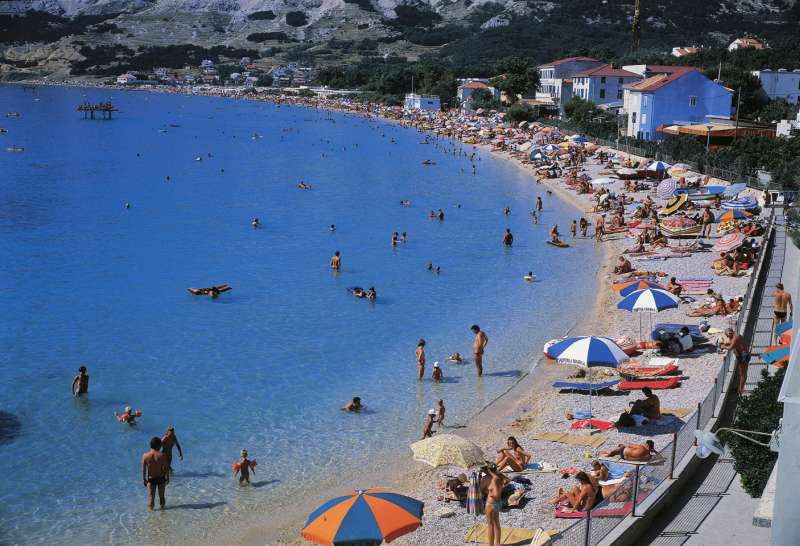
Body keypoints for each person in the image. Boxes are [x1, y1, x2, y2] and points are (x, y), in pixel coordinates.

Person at [482, 464, 510, 546]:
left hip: (491, 503)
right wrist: (501, 487)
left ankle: (491, 545)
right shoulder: (499, 475)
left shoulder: (492, 479)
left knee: (490, 525)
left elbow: (495, 494)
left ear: (488, 470)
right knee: (496, 523)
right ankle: (497, 543)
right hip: (498, 503)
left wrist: (490, 493)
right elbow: (508, 480)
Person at [141, 437, 169, 510]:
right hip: (161, 478)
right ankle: (163, 511)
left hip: (151, 479)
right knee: (162, 497)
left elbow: (143, 469)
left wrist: (144, 479)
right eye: (160, 445)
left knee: (151, 498)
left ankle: (151, 513)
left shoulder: (145, 456)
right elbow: (166, 468)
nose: (161, 447)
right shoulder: (162, 455)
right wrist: (167, 477)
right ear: (158, 445)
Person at [722, 328, 750, 394]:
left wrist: (723, 346)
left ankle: (741, 390)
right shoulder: (735, 336)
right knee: (741, 373)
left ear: (730, 333)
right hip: (741, 356)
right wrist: (726, 343)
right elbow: (732, 343)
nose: (728, 337)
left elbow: (730, 348)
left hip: (743, 356)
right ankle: (740, 388)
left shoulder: (736, 337)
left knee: (743, 374)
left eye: (727, 336)